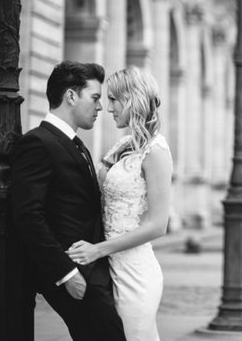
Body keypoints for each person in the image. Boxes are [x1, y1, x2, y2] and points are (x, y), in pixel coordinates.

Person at [10, 61, 127, 341]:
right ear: (71, 96)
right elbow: (28, 215)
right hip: (74, 272)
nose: (101, 107)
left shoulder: (76, 144)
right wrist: (65, 273)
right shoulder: (38, 142)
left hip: (93, 267)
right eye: (96, 98)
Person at [66, 66, 173, 341]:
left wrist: (97, 250)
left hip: (135, 274)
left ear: (132, 99)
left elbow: (159, 226)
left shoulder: (156, 152)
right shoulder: (123, 145)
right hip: (108, 269)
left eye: (113, 99)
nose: (107, 107)